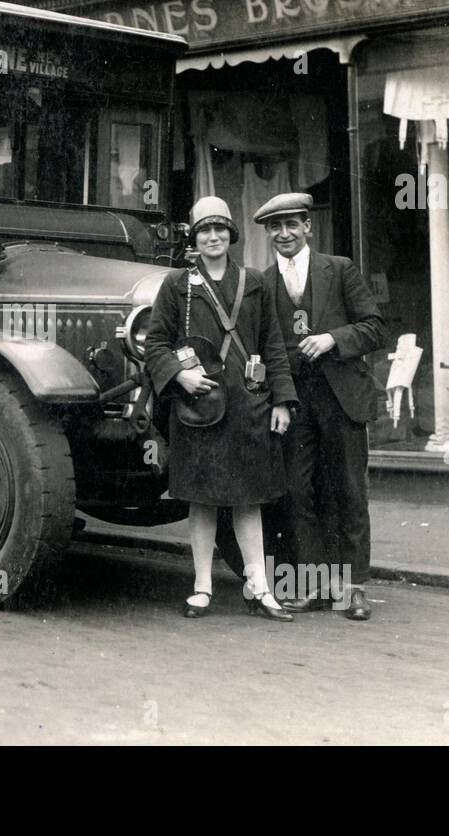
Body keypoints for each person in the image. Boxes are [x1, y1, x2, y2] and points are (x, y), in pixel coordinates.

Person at [144, 196, 298, 621]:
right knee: (202, 501)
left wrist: (282, 400)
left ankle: (259, 586)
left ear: (231, 235)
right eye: (204, 231)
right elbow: (155, 343)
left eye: (220, 230)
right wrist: (180, 375)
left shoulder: (254, 283)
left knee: (250, 500)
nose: (213, 237)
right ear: (194, 238)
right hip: (199, 409)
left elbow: (274, 346)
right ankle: (202, 587)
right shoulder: (177, 284)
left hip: (249, 406)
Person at [254, 192, 385, 620]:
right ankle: (311, 585)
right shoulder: (264, 283)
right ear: (268, 234)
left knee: (348, 490)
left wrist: (333, 339)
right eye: (276, 227)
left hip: (341, 397)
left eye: (292, 224)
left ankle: (352, 588)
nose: (285, 233)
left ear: (308, 227)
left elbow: (373, 327)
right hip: (294, 403)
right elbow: (265, 348)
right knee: (297, 492)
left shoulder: (340, 269)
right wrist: (277, 398)